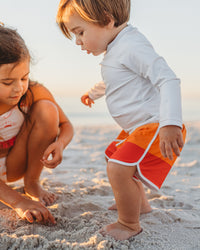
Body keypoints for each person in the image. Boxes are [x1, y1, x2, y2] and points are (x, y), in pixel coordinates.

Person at [56, 0, 186, 240]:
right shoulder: (117, 48)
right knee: (114, 156)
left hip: (155, 124)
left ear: (107, 20)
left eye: (80, 32)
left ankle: (129, 223)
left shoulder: (132, 45)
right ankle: (141, 205)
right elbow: (116, 77)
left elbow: (168, 79)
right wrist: (93, 92)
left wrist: (171, 123)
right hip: (137, 127)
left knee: (118, 169)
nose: (78, 42)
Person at [0, 24, 74, 224]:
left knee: (47, 108)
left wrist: (60, 144)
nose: (18, 88)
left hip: (16, 163)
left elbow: (66, 125)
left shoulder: (32, 91)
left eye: (24, 77)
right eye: (7, 82)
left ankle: (32, 182)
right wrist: (18, 202)